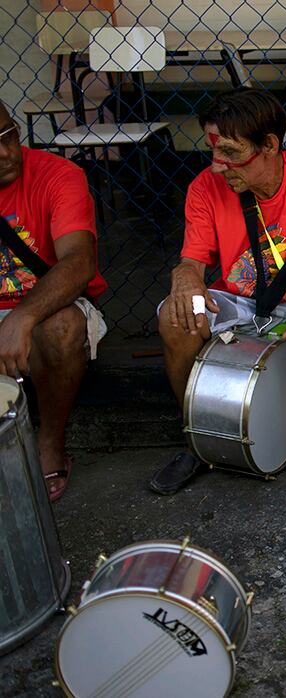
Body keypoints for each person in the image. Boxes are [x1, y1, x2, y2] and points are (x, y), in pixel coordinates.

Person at [152, 88, 286, 496]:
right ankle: (197, 436)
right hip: (243, 302)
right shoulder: (204, 188)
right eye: (213, 151)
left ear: (270, 144)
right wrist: (184, 276)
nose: (218, 166)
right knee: (174, 315)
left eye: (230, 152)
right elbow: (193, 261)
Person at [0, 102, 107, 503]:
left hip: (46, 306)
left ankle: (50, 441)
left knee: (61, 327)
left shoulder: (57, 174)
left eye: (8, 134)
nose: (7, 152)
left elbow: (80, 262)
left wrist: (21, 318)